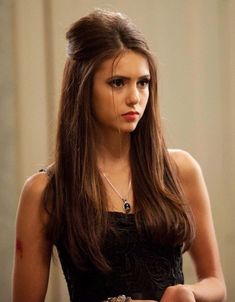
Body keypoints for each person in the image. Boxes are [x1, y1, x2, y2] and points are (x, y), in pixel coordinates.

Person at [12, 9, 226, 302]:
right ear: (83, 88)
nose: (135, 97)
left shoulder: (181, 170)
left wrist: (186, 292)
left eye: (143, 82)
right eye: (118, 82)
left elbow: (216, 282)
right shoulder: (45, 191)